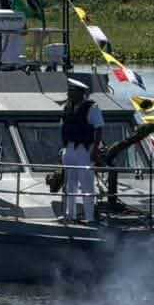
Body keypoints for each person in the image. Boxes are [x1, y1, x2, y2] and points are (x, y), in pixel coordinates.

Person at [60, 77, 105, 224]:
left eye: (71, 91)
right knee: (69, 184)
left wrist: (96, 150)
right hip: (70, 148)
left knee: (86, 184)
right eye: (68, 91)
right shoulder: (67, 107)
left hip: (84, 149)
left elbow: (98, 128)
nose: (68, 94)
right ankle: (69, 215)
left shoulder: (92, 107)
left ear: (80, 93)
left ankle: (89, 218)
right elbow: (64, 126)